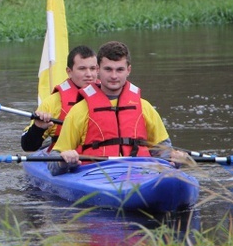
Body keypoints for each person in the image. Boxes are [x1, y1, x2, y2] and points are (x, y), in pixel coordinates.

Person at [48, 41, 189, 175]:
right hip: (96, 176)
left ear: (128, 70)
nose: (114, 76)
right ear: (98, 69)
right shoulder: (79, 111)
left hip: (141, 174)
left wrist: (174, 160)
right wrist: (64, 160)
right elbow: (53, 165)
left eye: (119, 70)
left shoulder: (145, 108)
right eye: (108, 69)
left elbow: (163, 154)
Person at [21, 45, 98, 152]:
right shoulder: (53, 102)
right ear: (69, 71)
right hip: (65, 160)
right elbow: (28, 146)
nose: (89, 74)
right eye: (82, 69)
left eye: (93, 69)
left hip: (103, 158)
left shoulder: (111, 96)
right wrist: (38, 128)